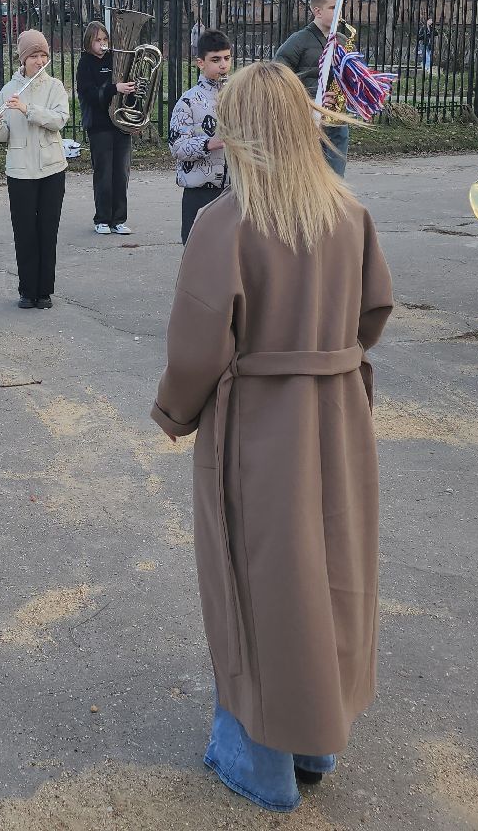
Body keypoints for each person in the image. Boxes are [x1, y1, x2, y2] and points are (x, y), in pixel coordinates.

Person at [151, 60, 393, 815]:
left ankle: (261, 763)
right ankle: (318, 741)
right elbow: (374, 311)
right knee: (330, 571)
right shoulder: (346, 211)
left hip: (258, 422)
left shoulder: (225, 222)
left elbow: (199, 346)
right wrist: (330, 359)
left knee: (258, 581)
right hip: (338, 416)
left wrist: (175, 413)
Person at [0, 29, 70, 309]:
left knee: (48, 230)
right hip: (20, 171)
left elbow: (59, 120)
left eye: (44, 55)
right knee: (24, 232)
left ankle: (44, 291)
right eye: (34, 56)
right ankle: (27, 290)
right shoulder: (8, 90)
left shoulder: (55, 87)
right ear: (23, 59)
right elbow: (4, 137)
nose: (40, 61)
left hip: (51, 168)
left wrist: (27, 109)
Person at [272, 0, 350, 176]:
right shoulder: (298, 40)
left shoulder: (342, 41)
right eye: (333, 7)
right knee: (307, 177)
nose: (339, 12)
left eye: (340, 7)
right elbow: (277, 78)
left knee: (335, 179)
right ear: (317, 11)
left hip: (336, 120)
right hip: (307, 119)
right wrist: (310, 99)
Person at [169, 30, 234, 244]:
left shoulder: (239, 96)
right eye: (215, 60)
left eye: (227, 58)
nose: (223, 65)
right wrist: (209, 143)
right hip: (200, 190)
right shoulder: (188, 101)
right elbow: (177, 147)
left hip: (234, 189)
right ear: (200, 63)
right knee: (198, 249)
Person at [76, 21, 139, 235]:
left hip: (120, 124)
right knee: (104, 173)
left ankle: (118, 220)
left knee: (121, 173)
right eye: (98, 40)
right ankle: (102, 219)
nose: (102, 44)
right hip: (99, 124)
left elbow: (127, 90)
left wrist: (131, 96)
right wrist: (114, 88)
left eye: (105, 39)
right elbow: (89, 95)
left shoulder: (116, 59)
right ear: (89, 42)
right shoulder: (85, 63)